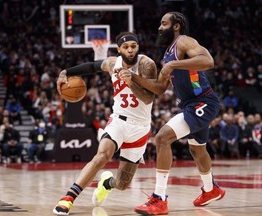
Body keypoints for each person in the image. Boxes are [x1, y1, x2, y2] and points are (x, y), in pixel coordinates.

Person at [118, 12, 226, 215]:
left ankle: (159, 199)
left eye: (163, 23)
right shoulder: (167, 53)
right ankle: (211, 190)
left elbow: (208, 60)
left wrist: (175, 64)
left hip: (203, 101)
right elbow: (159, 87)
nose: (159, 27)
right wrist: (133, 78)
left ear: (176, 26)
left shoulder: (184, 41)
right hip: (189, 105)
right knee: (197, 151)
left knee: (162, 138)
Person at [53, 32, 157, 215]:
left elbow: (148, 98)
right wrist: (66, 72)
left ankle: (106, 183)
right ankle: (68, 198)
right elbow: (92, 66)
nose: (130, 50)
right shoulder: (112, 63)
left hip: (140, 127)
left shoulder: (147, 65)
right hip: (119, 120)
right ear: (119, 49)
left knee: (123, 185)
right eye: (126, 47)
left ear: (138, 47)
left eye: (133, 46)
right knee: (102, 155)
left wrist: (131, 82)